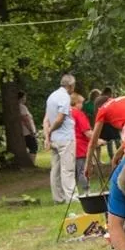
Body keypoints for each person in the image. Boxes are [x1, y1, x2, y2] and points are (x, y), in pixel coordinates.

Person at [44, 73, 76, 203]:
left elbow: (46, 119)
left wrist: (47, 136)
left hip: (55, 139)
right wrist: (51, 130)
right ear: (70, 85)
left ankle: (58, 197)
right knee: (67, 169)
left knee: (55, 170)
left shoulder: (52, 96)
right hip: (65, 137)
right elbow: (60, 118)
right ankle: (71, 198)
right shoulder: (64, 97)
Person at [71, 93, 92, 195]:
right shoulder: (79, 114)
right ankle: (86, 191)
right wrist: (98, 140)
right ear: (76, 103)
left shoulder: (66, 113)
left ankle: (73, 192)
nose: (82, 105)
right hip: (80, 146)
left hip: (70, 145)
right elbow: (86, 131)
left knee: (73, 171)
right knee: (82, 170)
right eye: (81, 103)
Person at [94, 87, 120, 161]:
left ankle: (111, 157)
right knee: (116, 139)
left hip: (101, 122)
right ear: (109, 93)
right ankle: (119, 157)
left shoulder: (97, 99)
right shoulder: (107, 99)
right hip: (109, 122)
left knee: (108, 141)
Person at [18, 91, 37, 162]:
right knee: (34, 147)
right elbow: (25, 120)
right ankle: (31, 162)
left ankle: (29, 162)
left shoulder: (19, 106)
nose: (25, 98)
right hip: (27, 132)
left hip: (25, 131)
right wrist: (31, 131)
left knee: (31, 147)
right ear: (21, 98)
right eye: (25, 97)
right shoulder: (22, 107)